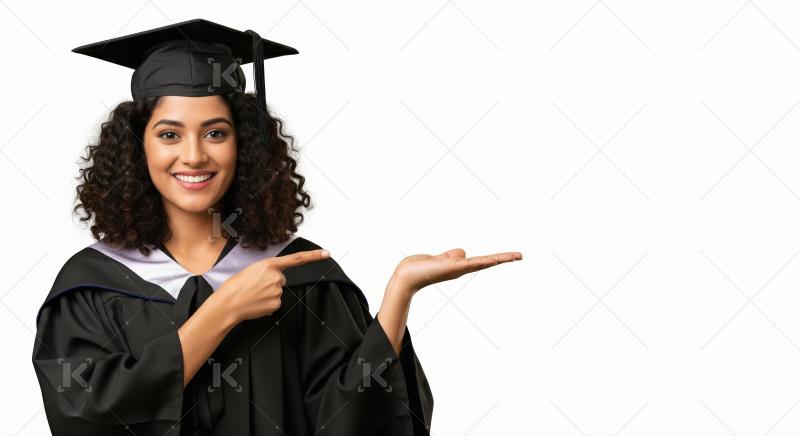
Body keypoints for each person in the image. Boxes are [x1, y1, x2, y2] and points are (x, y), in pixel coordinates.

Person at [31, 18, 523, 436]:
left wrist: (399, 293)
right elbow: (85, 416)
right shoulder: (90, 285)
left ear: (245, 145)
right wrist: (223, 309)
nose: (194, 155)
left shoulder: (299, 273)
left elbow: (348, 420)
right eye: (169, 134)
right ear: (138, 147)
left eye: (215, 132)